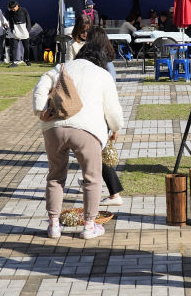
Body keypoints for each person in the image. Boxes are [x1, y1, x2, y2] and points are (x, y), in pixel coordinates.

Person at [32, 43, 124, 239]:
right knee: (92, 178)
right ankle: (89, 226)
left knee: (55, 176)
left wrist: (40, 110)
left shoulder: (61, 67)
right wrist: (115, 128)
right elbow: (114, 111)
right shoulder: (102, 75)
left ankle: (53, 225)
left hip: (54, 127)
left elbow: (41, 85)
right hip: (87, 130)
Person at [84, 28, 124, 205]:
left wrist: (113, 126)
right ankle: (90, 180)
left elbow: (109, 95)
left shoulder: (103, 65)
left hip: (99, 113)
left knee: (98, 152)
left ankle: (115, 193)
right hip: (100, 113)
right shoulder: (105, 63)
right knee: (93, 151)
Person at [7, 0, 32, 67]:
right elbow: (10, 22)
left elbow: (28, 20)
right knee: (14, 47)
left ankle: (27, 60)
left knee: (26, 47)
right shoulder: (10, 12)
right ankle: (14, 62)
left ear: (17, 5)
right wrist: (12, 30)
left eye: (13, 8)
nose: (13, 9)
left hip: (24, 31)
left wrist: (28, 30)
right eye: (11, 8)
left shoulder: (24, 10)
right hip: (16, 31)